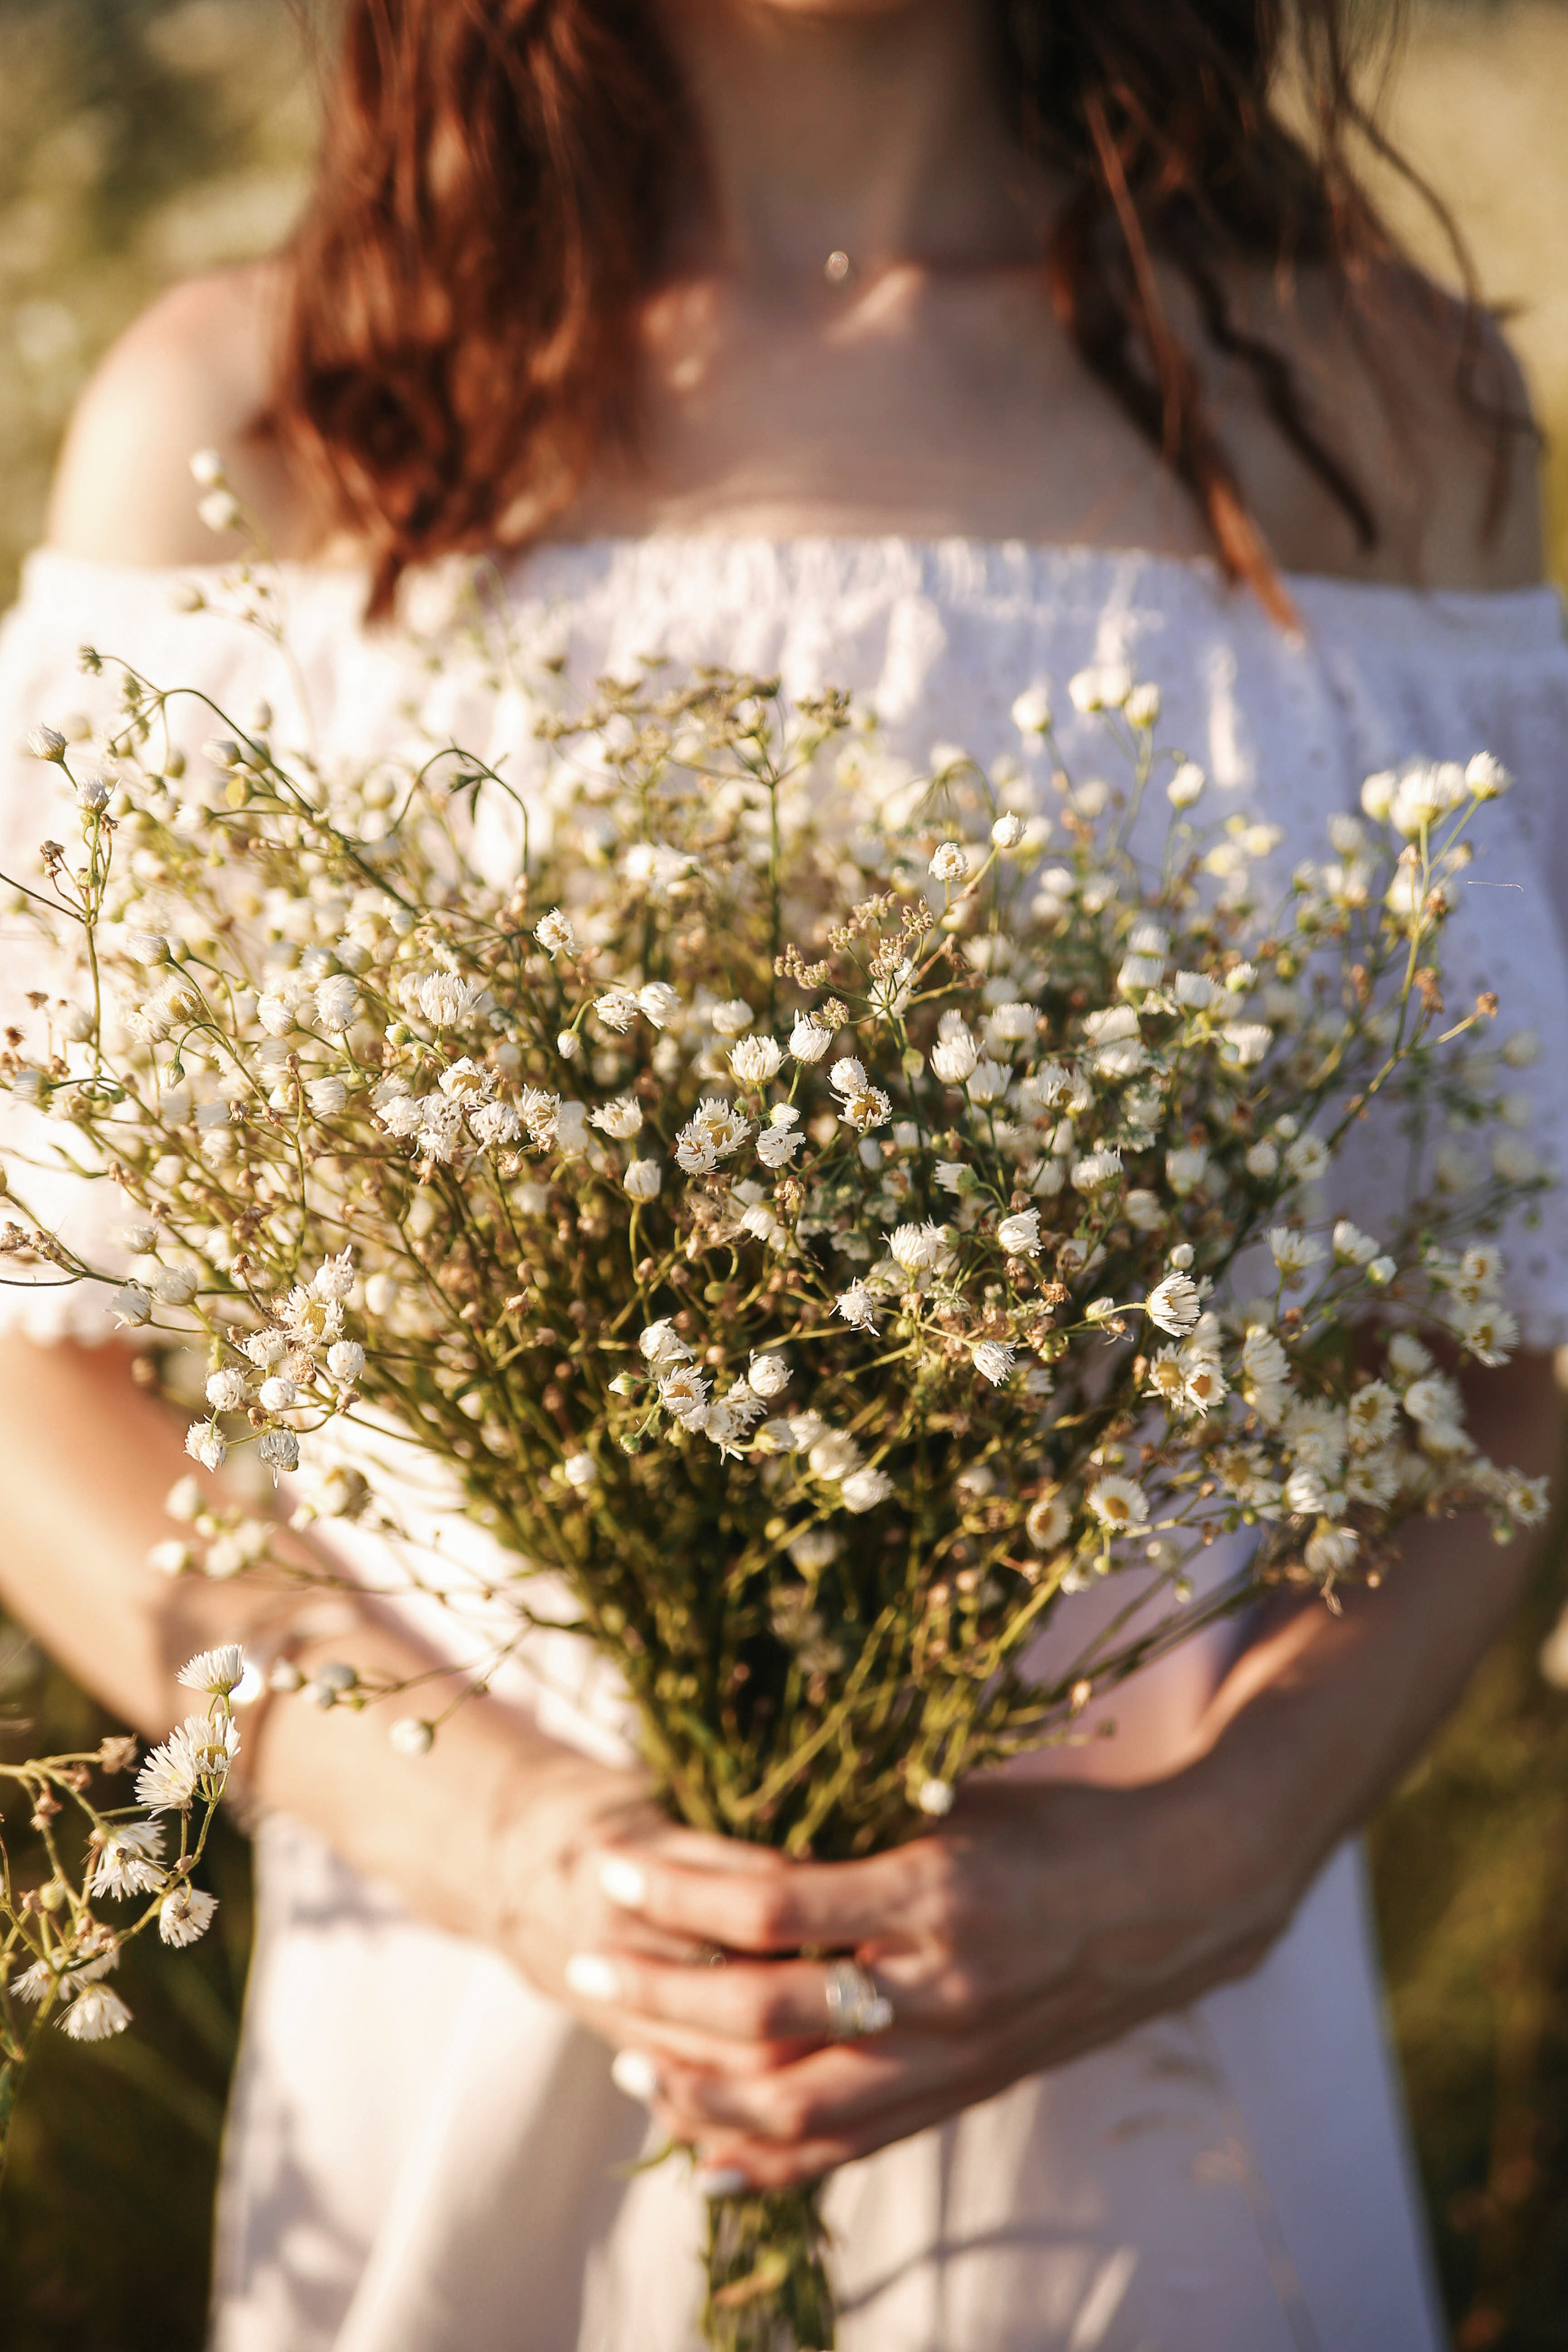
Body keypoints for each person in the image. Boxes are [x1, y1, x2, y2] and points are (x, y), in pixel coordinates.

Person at [2, 2, 1566, 2345]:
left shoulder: (1367, 411)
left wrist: (1226, 1845)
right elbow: (39, 1367)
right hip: (482, 2006)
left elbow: (1517, 1318)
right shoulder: (275, 414)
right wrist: (517, 1847)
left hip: (1148, 2041)